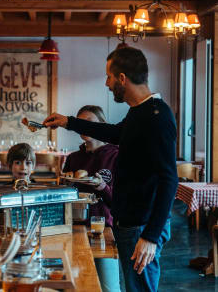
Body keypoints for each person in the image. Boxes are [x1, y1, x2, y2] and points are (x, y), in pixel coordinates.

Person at [43, 47, 178, 292]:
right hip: (131, 224)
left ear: (122, 78)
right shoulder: (140, 112)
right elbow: (116, 133)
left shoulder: (157, 116)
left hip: (142, 227)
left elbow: (169, 180)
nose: (107, 83)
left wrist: (150, 236)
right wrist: (68, 122)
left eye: (109, 77)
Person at [63, 105, 120, 292]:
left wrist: (103, 187)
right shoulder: (73, 158)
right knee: (79, 286)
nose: (83, 127)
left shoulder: (116, 155)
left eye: (90, 122)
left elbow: (120, 202)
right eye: (81, 123)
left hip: (104, 229)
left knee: (109, 287)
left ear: (102, 125)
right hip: (76, 228)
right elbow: (65, 193)